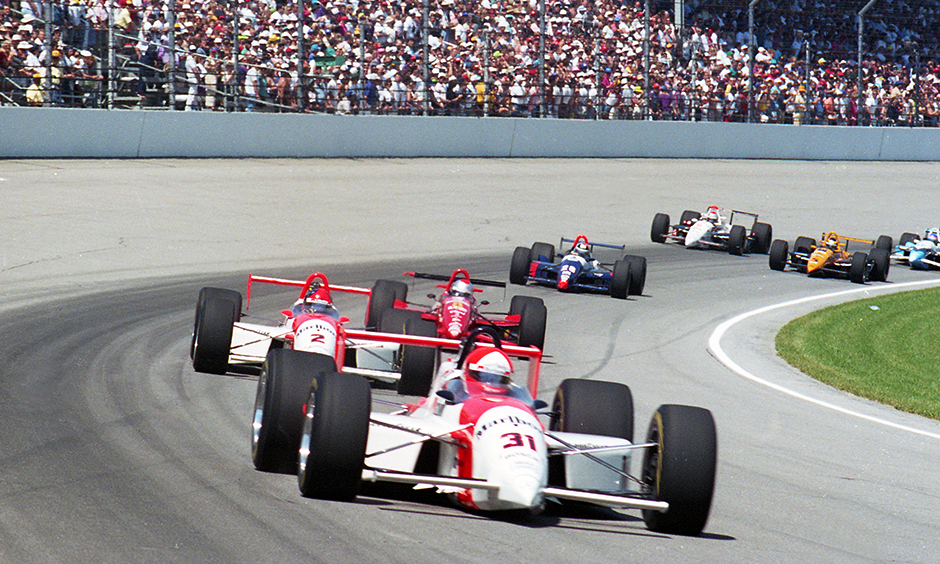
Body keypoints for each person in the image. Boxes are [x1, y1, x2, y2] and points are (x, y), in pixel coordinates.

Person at [443, 346, 533, 404]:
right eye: (484, 376)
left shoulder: (514, 394)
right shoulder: (456, 389)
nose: (491, 382)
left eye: (499, 379)